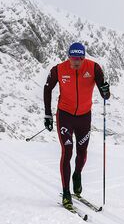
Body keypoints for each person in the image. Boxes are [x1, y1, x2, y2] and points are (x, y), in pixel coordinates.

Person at [43, 42, 110, 209]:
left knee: (82, 152)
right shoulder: (58, 69)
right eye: (73, 58)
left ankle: (77, 174)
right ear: (69, 56)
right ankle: (66, 193)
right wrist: (47, 114)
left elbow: (105, 94)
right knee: (67, 151)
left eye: (80, 59)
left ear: (84, 57)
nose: (76, 62)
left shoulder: (94, 68)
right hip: (65, 115)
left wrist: (105, 90)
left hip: (84, 117)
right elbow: (47, 88)